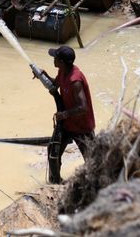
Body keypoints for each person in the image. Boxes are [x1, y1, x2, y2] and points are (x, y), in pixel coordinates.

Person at [37, 45, 95, 183]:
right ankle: (56, 182)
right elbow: (55, 84)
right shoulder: (63, 71)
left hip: (82, 127)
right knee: (53, 151)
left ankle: (93, 184)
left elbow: (83, 107)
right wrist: (43, 76)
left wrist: (65, 114)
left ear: (61, 62)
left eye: (55, 57)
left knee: (92, 160)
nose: (53, 59)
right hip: (68, 124)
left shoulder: (75, 80)